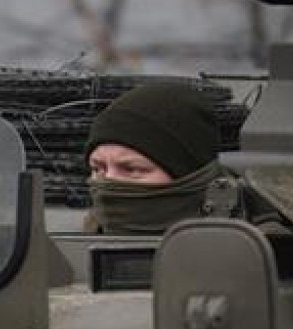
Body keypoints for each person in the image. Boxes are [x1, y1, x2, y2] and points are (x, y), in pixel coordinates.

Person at [83, 82, 222, 234]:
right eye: (98, 169)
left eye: (131, 169)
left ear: (190, 176)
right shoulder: (76, 240)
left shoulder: (234, 245)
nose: (108, 181)